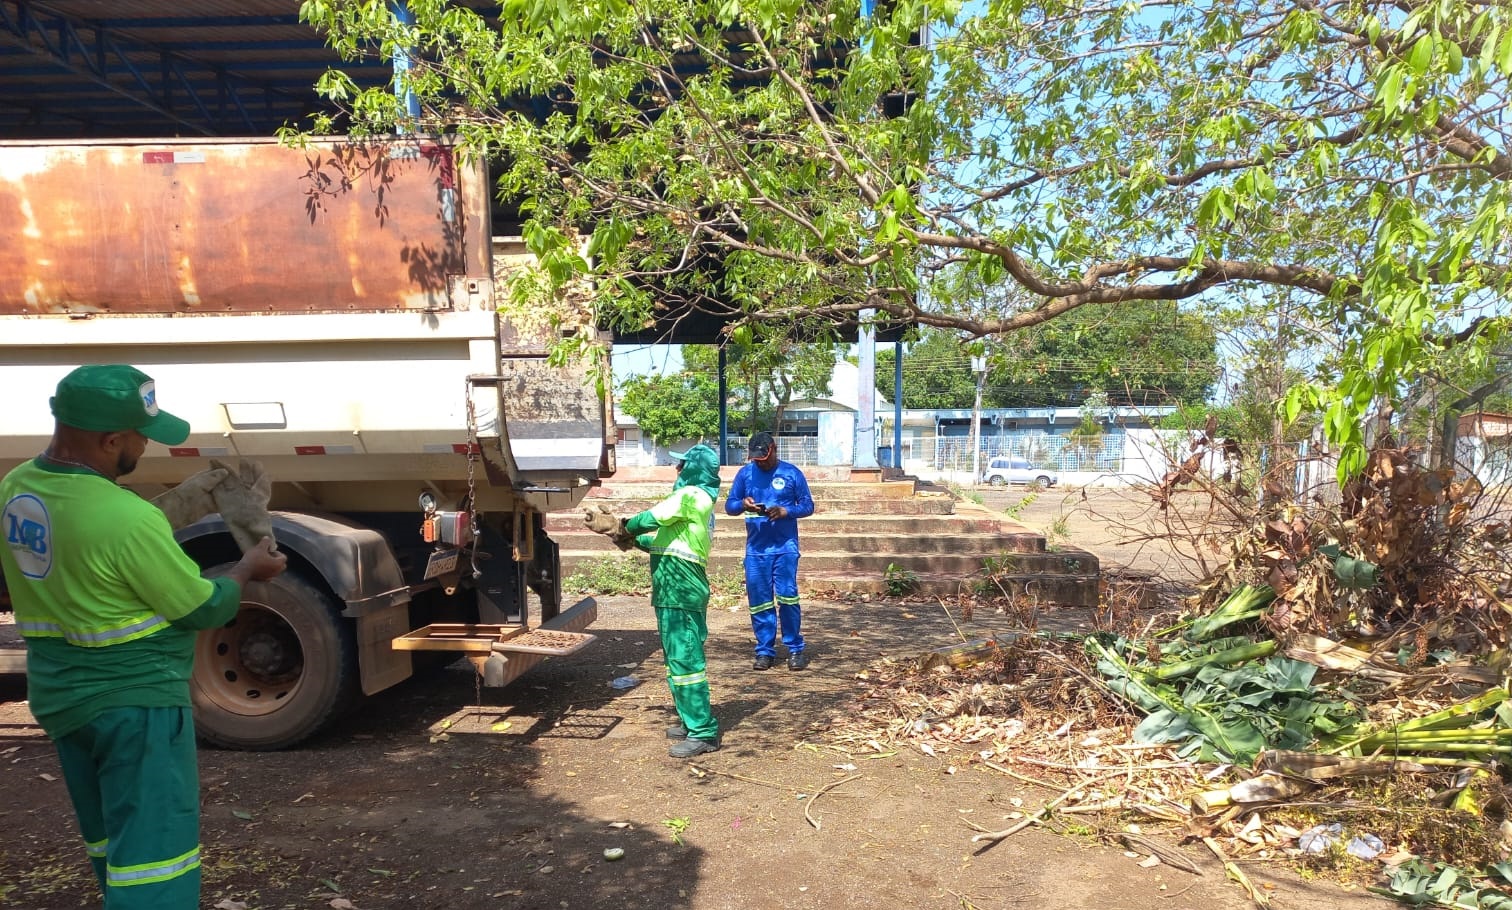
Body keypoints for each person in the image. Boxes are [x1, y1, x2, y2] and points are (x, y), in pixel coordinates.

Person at [0, 364, 287, 910]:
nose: (144, 448)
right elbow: (199, 606)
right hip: (134, 705)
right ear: (111, 439)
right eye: (140, 437)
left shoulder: (17, 489)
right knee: (158, 860)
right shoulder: (125, 517)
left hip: (62, 697)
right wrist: (248, 569)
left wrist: (179, 504)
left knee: (113, 843)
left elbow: (85, 549)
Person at [590, 444, 722, 758]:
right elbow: (661, 542)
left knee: (686, 660)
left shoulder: (691, 495)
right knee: (677, 659)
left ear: (693, 469)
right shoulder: (695, 502)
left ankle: (703, 731)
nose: (676, 470)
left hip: (681, 589)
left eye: (681, 465)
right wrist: (623, 537)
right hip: (674, 589)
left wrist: (621, 527)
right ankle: (691, 721)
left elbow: (649, 519)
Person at [725, 430, 815, 671]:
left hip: (785, 547)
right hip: (756, 550)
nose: (760, 462)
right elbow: (729, 506)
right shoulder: (745, 474)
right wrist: (743, 505)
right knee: (759, 601)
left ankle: (795, 648)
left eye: (763, 458)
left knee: (787, 596)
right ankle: (764, 650)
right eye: (756, 459)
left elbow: (808, 505)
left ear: (773, 449)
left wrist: (786, 511)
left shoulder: (792, 473)